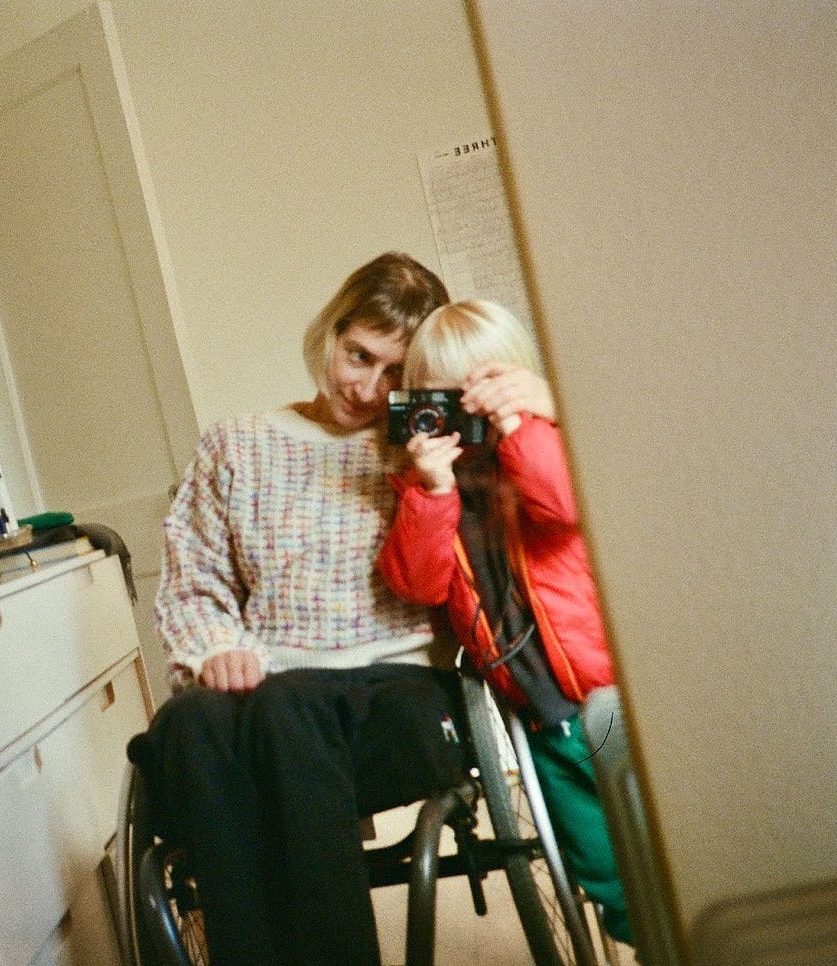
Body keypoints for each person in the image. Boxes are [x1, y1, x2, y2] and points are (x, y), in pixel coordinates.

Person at [126, 252, 466, 965]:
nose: (367, 388)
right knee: (186, 726)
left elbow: (442, 580)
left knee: (282, 711)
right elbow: (195, 579)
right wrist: (217, 646)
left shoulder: (424, 451)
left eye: (394, 374)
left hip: (392, 688)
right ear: (333, 331)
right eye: (358, 355)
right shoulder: (237, 445)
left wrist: (435, 476)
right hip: (273, 680)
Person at [376, 298, 633, 945]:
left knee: (651, 837)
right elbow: (415, 582)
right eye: (446, 396)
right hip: (541, 719)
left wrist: (521, 421)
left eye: (482, 390)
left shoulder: (543, 444)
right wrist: (431, 492)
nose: (470, 410)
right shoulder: (426, 487)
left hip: (605, 702)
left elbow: (562, 503)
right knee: (597, 862)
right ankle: (643, 940)